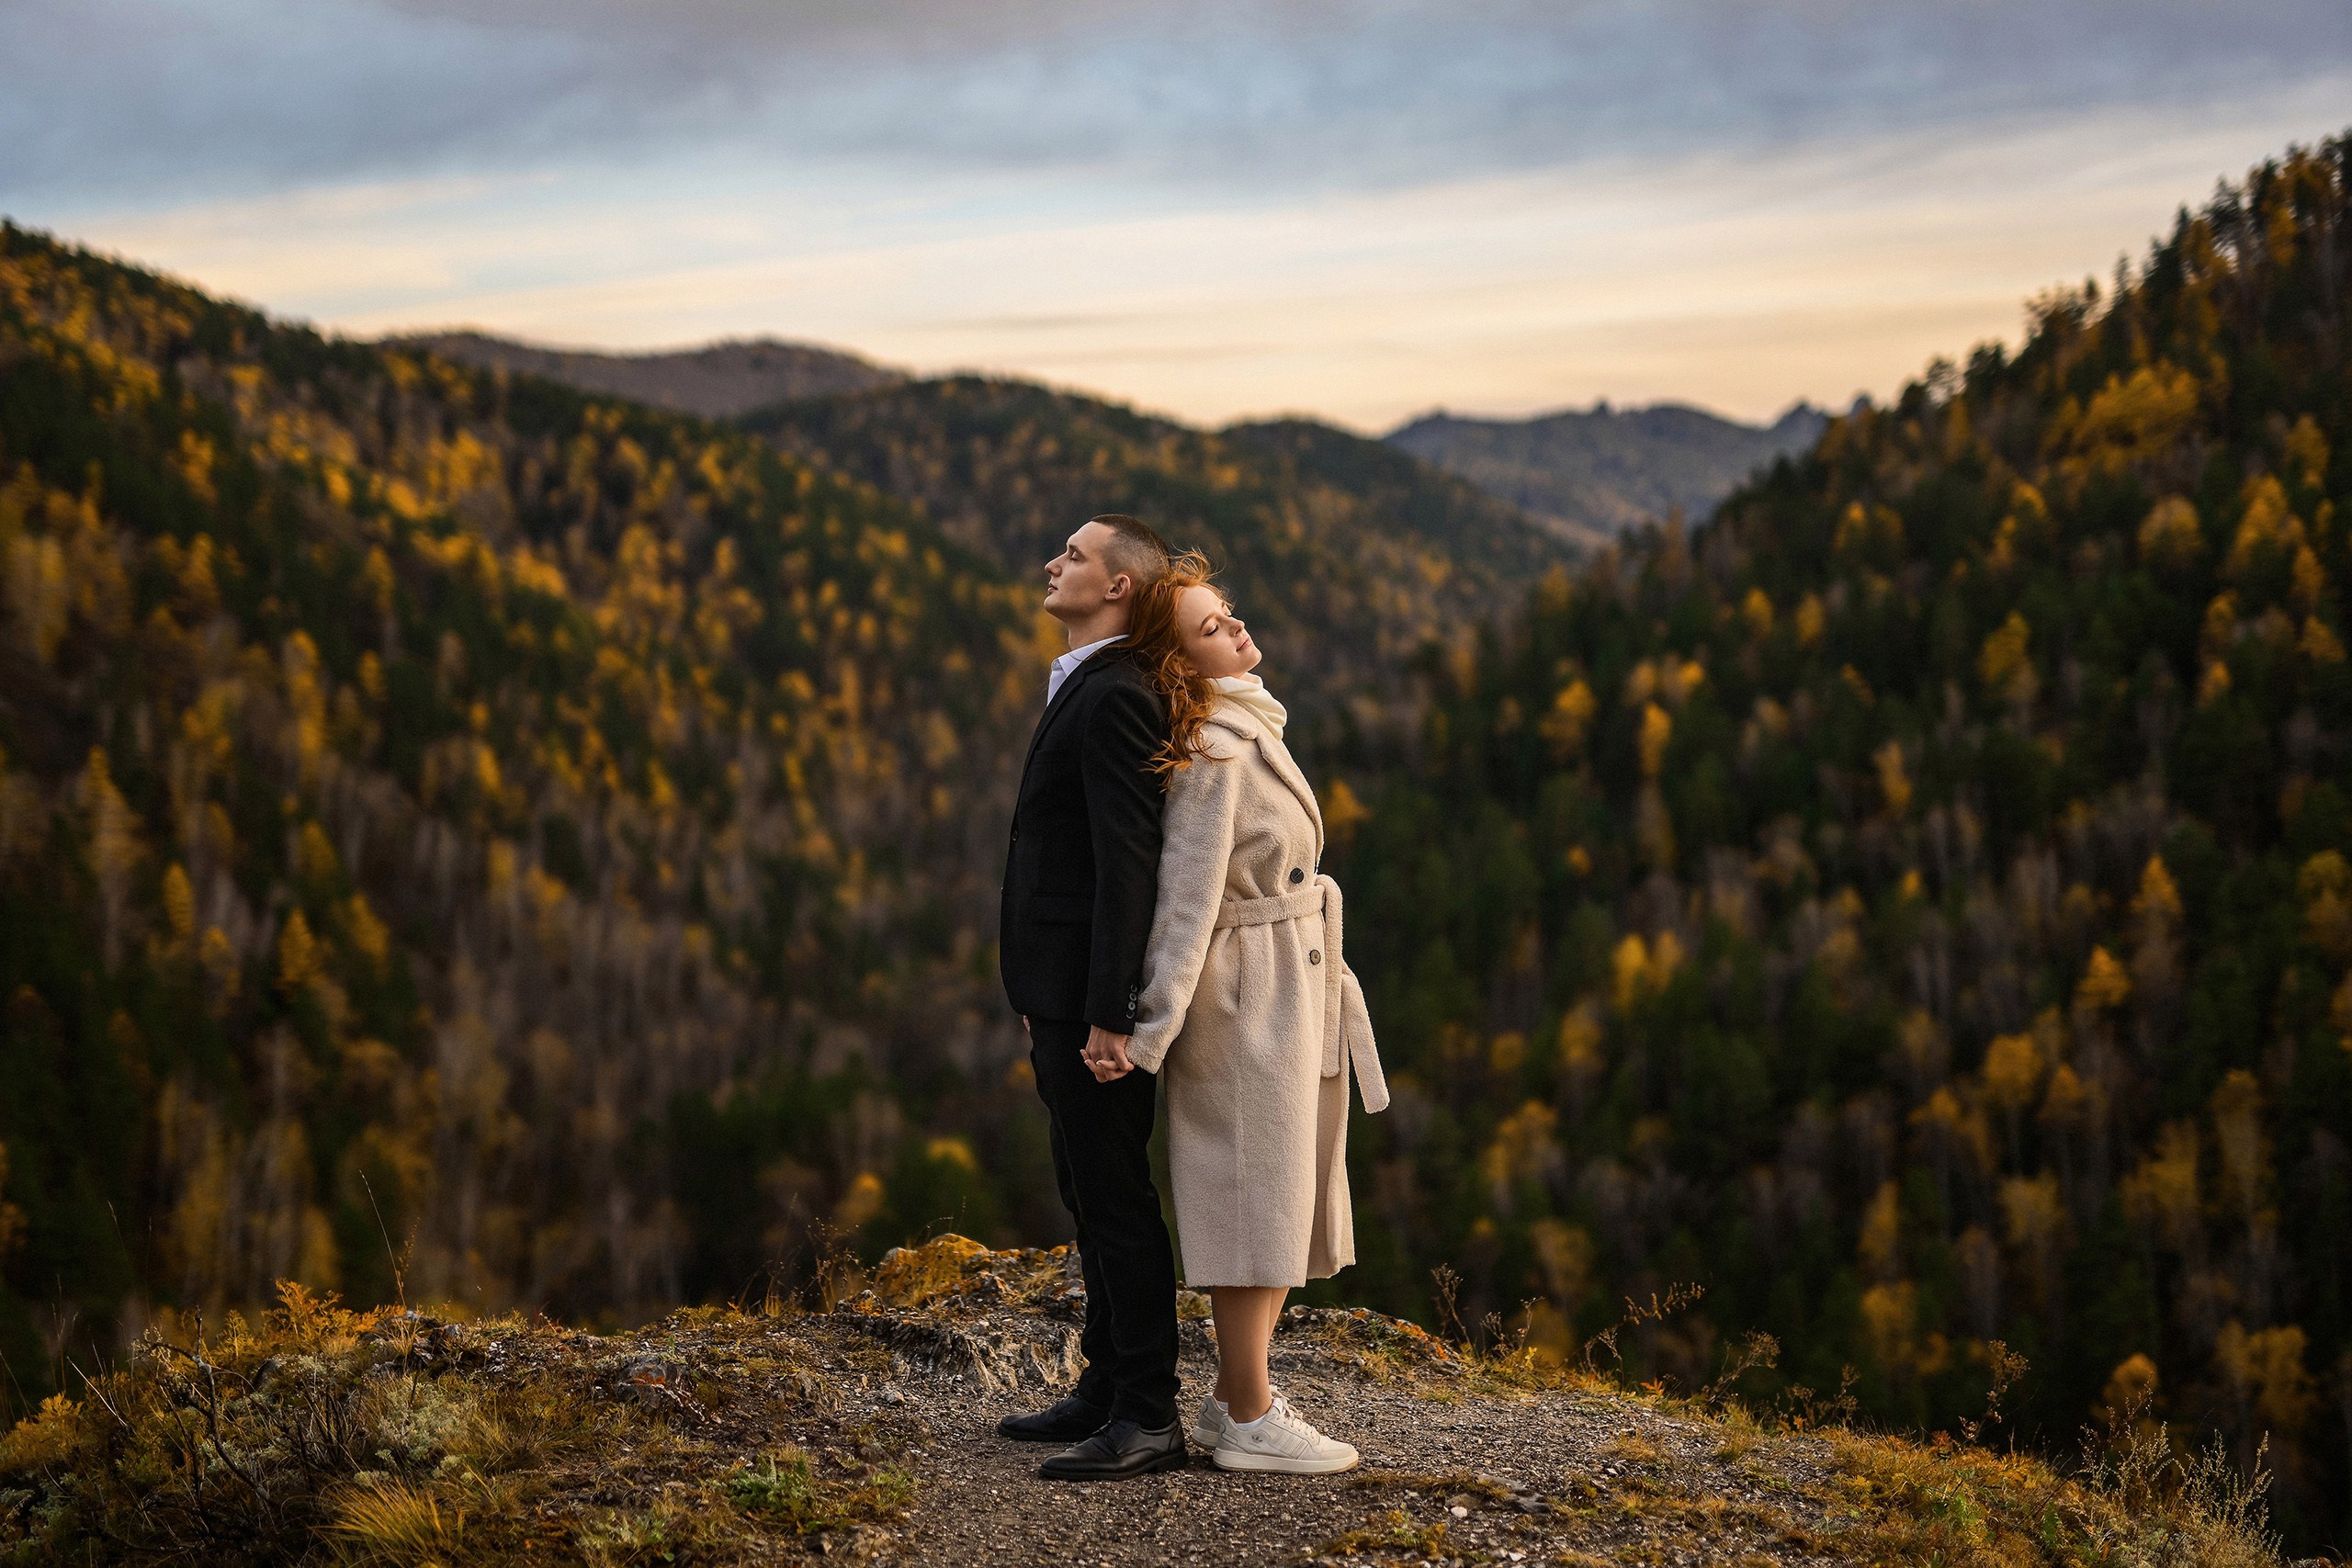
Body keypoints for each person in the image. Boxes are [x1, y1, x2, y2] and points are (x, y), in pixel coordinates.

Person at [1116, 557, 1389, 1475]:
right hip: (1245, 996)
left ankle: (1243, 1390)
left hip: (1291, 982)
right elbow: (1185, 903)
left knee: (1283, 1198)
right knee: (1251, 1202)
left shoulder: (1246, 724)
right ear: (1178, 665)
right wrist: (1152, 1031)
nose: (1234, 627)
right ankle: (1246, 1414)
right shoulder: (1211, 754)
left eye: (1228, 611)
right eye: (1208, 628)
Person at [993, 513, 1188, 1482]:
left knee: (1116, 1197)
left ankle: (1149, 1413)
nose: (1051, 563)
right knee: (1085, 1184)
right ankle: (1106, 1384)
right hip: (1060, 990)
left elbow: (1127, 864)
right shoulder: (1089, 682)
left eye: (1072, 554)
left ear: (1117, 587)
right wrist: (1040, 990)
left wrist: (1114, 1010)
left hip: (1093, 999)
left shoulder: (1116, 696)